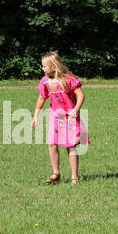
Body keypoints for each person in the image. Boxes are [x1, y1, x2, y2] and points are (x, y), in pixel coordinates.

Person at [31, 52, 89, 184]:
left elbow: (81, 95)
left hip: (69, 117)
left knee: (71, 145)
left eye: (45, 66)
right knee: (51, 143)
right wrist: (35, 116)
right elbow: (42, 97)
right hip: (54, 116)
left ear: (54, 67)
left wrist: (76, 109)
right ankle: (56, 173)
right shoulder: (45, 81)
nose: (43, 69)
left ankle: (74, 176)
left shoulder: (68, 79)